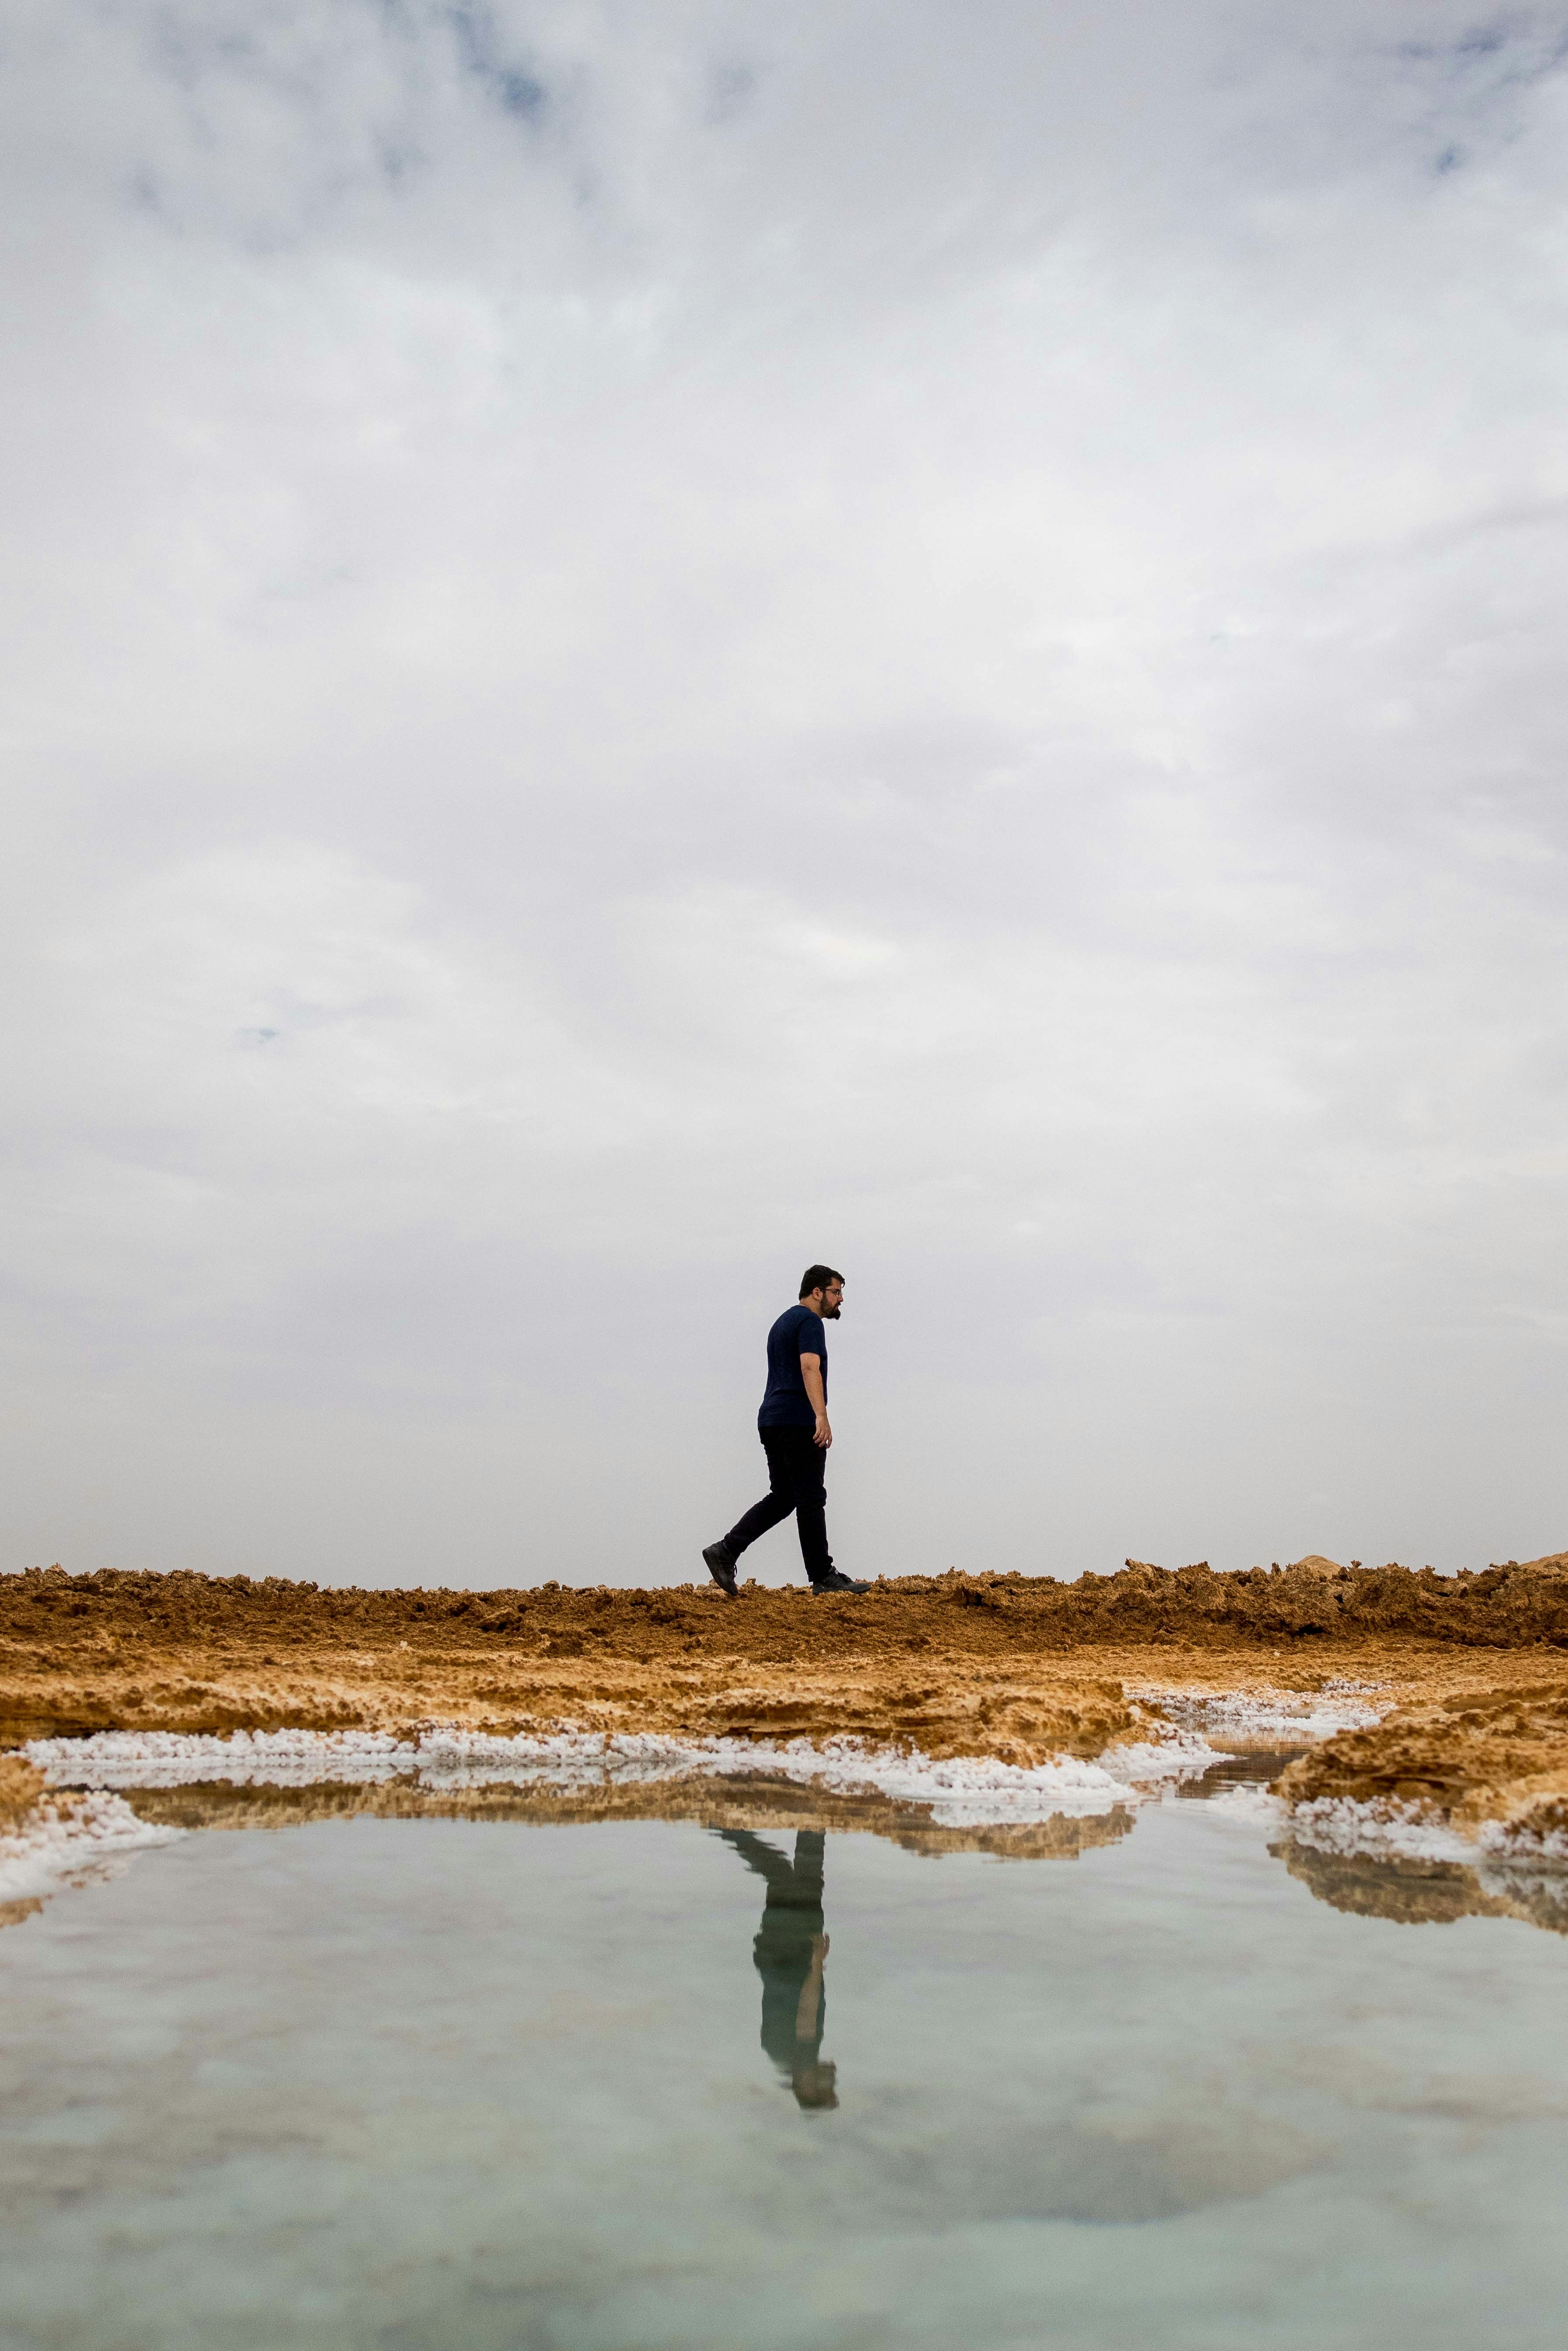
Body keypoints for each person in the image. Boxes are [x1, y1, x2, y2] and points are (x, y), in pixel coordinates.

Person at [703, 1265, 869, 1598]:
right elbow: (810, 1366)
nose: (841, 1299)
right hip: (797, 1420)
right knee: (810, 1498)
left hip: (771, 1419)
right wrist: (821, 1416)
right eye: (836, 1292)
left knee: (784, 1497)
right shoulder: (809, 1322)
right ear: (817, 1292)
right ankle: (823, 1575)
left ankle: (725, 1551)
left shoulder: (782, 1322)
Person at [714, 1827, 839, 2110]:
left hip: (794, 1954)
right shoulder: (778, 2055)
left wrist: (816, 1964)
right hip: (773, 1956)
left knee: (790, 1876)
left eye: (828, 2088)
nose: (832, 2080)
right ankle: (808, 1822)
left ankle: (726, 1827)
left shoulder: (802, 2056)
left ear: (809, 2087)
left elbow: (807, 2013)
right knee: (792, 1877)